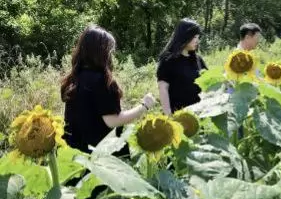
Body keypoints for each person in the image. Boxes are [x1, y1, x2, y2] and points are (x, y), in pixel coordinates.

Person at [61, 25, 156, 155]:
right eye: (110, 51)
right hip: (100, 154)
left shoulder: (74, 78)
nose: (112, 56)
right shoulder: (101, 80)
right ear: (102, 52)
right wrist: (144, 106)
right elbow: (112, 121)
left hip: (73, 153)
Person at [157, 18, 208, 115]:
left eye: (198, 37)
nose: (197, 41)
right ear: (185, 36)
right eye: (194, 37)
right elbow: (163, 88)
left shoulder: (198, 59)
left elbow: (208, 81)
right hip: (178, 116)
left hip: (198, 115)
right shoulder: (168, 60)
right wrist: (168, 115)